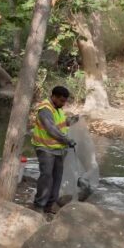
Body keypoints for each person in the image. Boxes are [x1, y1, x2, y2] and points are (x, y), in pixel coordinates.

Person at [31, 86, 78, 216]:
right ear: (54, 97)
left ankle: (49, 205)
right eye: (61, 101)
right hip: (45, 148)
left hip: (58, 149)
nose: (63, 104)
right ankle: (39, 205)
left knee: (57, 178)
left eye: (65, 101)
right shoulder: (45, 109)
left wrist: (70, 121)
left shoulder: (58, 108)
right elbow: (52, 130)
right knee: (46, 177)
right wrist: (67, 140)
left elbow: (60, 124)